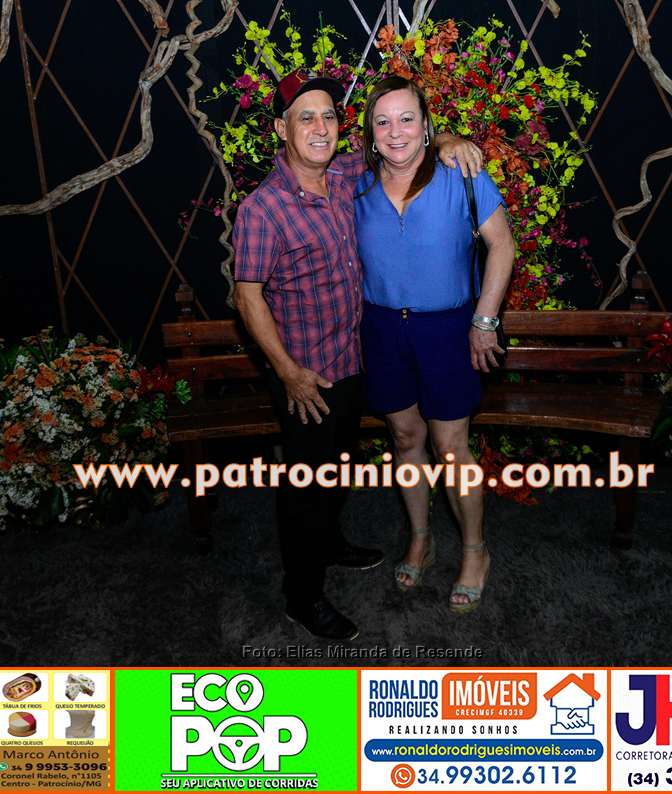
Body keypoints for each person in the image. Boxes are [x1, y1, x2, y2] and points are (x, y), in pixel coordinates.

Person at [232, 70, 482, 641]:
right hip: (306, 376)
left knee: (337, 469)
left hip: (354, 361)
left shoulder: (347, 175)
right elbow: (247, 297)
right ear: (282, 130)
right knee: (305, 485)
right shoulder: (263, 209)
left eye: (328, 116)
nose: (321, 128)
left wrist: (446, 140)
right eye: (306, 118)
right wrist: (289, 373)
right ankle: (302, 596)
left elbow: (403, 146)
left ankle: (330, 543)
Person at [353, 76, 514, 612]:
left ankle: (475, 552)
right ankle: (420, 538)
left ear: (426, 125)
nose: (395, 131)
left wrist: (484, 321)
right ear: (371, 133)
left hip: (447, 329)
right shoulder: (355, 186)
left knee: (450, 447)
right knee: (404, 438)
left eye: (407, 119)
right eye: (383, 121)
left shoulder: (461, 175)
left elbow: (502, 246)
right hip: (381, 328)